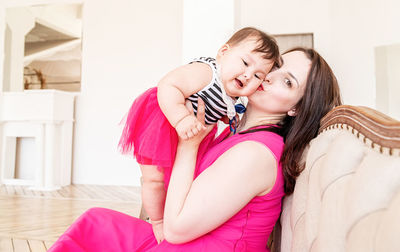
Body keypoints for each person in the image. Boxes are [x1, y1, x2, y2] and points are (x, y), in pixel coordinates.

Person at [49, 47, 342, 252]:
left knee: (94, 230)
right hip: (191, 240)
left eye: (287, 81)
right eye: (276, 66)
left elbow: (175, 230)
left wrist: (188, 146)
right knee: (95, 223)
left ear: (296, 108)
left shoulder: (256, 154)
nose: (268, 77)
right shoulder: (236, 127)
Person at [118, 27, 280, 242]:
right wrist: (181, 118)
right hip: (164, 121)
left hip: (193, 132)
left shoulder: (232, 95)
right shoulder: (207, 72)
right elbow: (168, 85)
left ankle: (165, 213)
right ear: (223, 53)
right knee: (154, 180)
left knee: (174, 180)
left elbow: (220, 109)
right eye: (245, 63)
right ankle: (156, 221)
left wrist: (225, 117)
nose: (248, 74)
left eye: (258, 75)